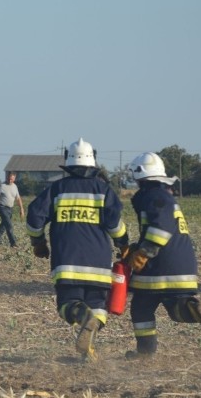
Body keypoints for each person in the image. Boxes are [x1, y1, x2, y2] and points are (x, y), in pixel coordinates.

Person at [26, 138, 129, 360]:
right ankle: (88, 349)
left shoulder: (57, 189)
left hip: (67, 263)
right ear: (93, 163)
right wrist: (123, 244)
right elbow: (114, 225)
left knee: (67, 304)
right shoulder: (104, 190)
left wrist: (38, 242)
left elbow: (34, 217)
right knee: (99, 308)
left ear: (68, 163)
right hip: (99, 265)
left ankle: (83, 317)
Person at [123, 152, 201, 359]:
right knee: (175, 309)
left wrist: (143, 253)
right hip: (183, 268)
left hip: (160, 266)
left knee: (141, 307)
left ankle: (145, 353)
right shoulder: (165, 195)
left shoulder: (153, 196)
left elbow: (161, 227)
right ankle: (192, 308)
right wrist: (137, 246)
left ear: (139, 176)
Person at [0, 171, 25, 249]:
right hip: (2, 208)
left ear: (14, 178)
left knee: (3, 228)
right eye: (8, 179)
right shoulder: (2, 186)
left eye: (11, 179)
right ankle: (13, 243)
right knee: (9, 225)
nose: (10, 180)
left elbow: (18, 198)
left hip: (10, 209)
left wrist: (21, 209)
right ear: (6, 177)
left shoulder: (15, 186)